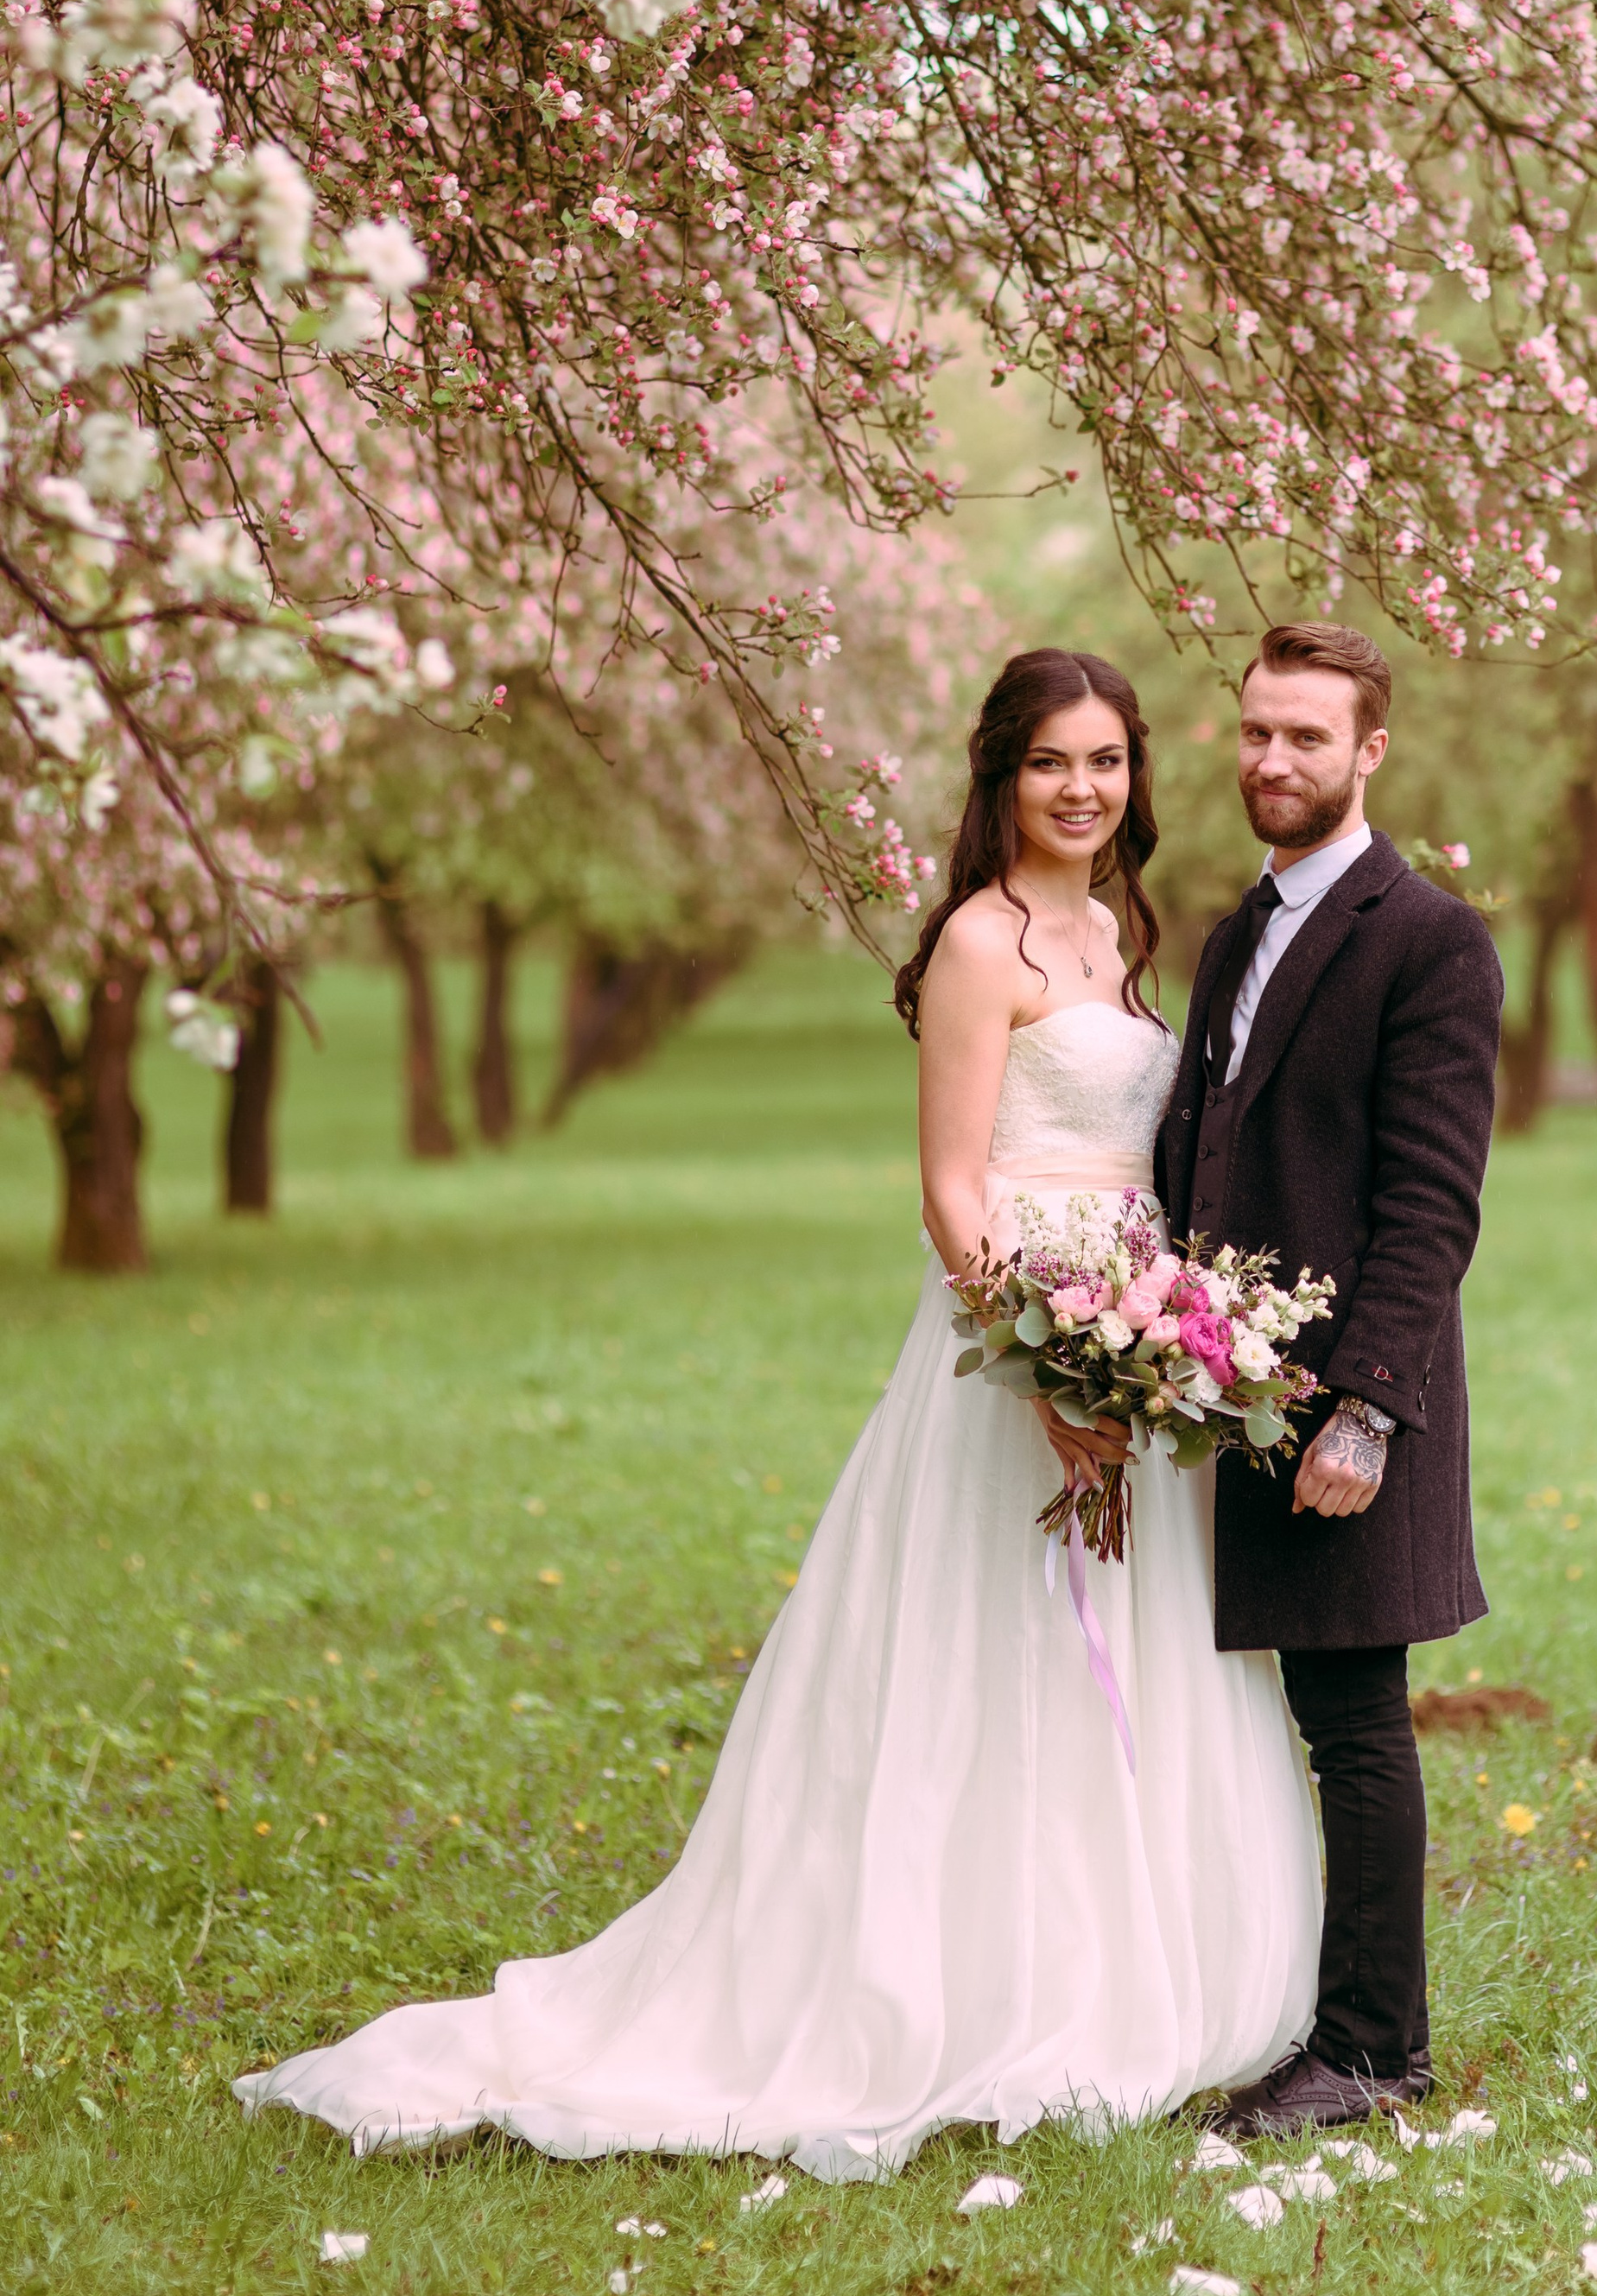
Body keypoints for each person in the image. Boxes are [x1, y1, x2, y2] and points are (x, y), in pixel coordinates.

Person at [233, 650, 1319, 2182]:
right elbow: (954, 1188)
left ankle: (1124, 1966)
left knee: (1124, 1660)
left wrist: (1155, 1347)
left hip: (1139, 1342)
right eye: (1051, 765)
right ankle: (952, 1982)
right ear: (1001, 778)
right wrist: (1051, 1369)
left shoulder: (1118, 929)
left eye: (1107, 762)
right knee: (994, 1662)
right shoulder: (976, 941)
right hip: (1020, 1352)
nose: (1083, 790)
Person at [1155, 621, 1504, 2140]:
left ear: (1371, 752)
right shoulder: (1241, 929)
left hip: (1346, 1409)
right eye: (1255, 733)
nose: (1272, 761)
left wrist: (1365, 1408)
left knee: (1355, 1724)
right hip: (1229, 1394)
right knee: (1284, 1715)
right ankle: (1281, 2015)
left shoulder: (1431, 940)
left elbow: (1431, 1207)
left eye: (1306, 737)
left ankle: (1373, 2054)